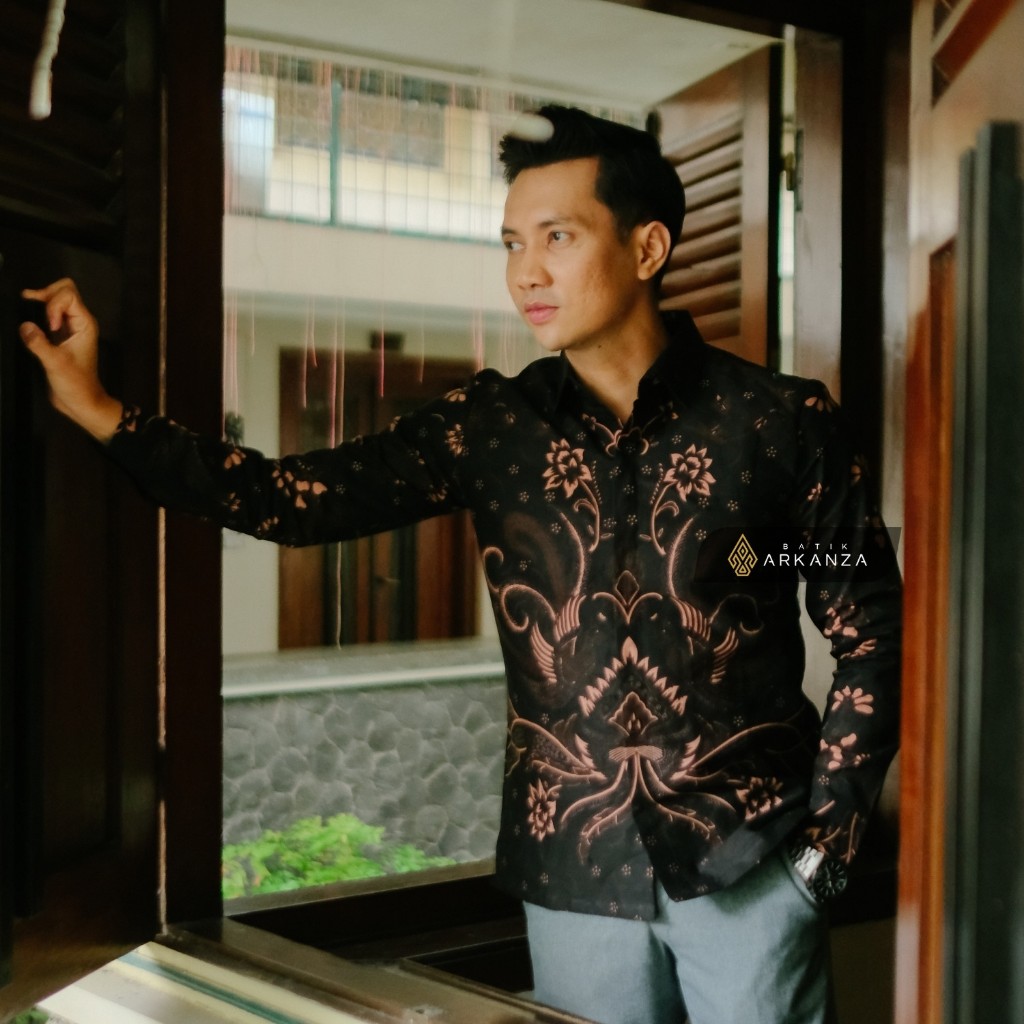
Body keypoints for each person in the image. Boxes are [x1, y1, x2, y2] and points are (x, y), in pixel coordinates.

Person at [20, 105, 901, 1024]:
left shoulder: (777, 421)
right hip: (572, 872)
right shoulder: (489, 429)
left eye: (558, 237)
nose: (527, 272)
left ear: (647, 247)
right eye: (512, 243)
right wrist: (101, 411)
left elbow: (869, 624)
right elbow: (290, 499)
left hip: (750, 863)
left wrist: (825, 850)